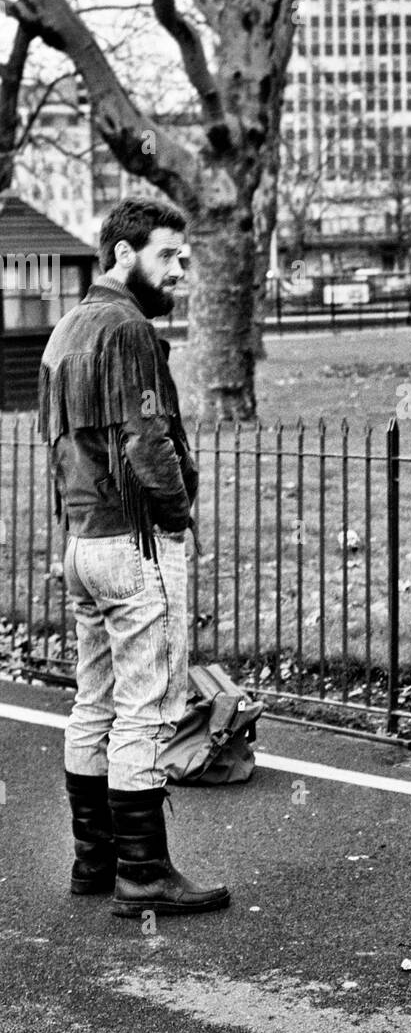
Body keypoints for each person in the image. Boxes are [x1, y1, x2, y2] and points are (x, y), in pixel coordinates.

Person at [38, 198, 229, 916]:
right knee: (145, 710)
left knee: (93, 703)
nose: (180, 271)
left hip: (82, 541)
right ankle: (144, 875)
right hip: (134, 541)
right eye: (168, 257)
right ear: (124, 254)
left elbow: (57, 449)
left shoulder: (67, 329)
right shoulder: (130, 330)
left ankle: (96, 862)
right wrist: (178, 518)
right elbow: (147, 444)